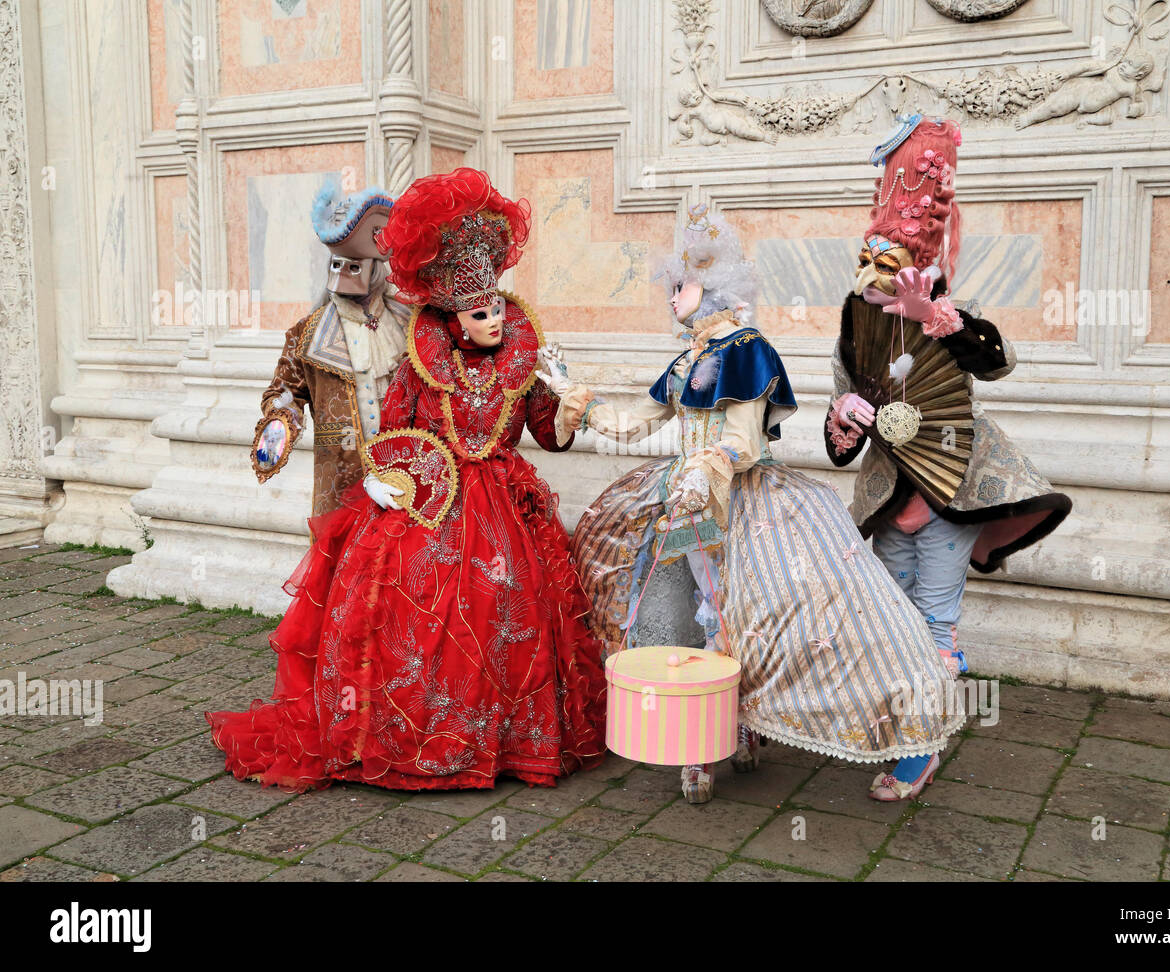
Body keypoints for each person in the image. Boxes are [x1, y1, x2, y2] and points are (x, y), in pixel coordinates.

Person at [538, 205, 962, 805]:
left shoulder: (745, 348)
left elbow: (743, 435)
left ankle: (911, 734)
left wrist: (710, 465)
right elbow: (639, 421)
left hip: (746, 501)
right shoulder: (688, 356)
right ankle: (718, 727)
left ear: (712, 289)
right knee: (704, 612)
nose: (671, 298)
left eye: (680, 286)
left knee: (804, 618)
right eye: (672, 285)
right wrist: (575, 396)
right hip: (687, 501)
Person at [209, 168, 606, 792]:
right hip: (428, 498)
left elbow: (548, 432)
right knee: (412, 615)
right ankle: (417, 733)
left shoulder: (515, 355)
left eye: (498, 306)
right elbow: (385, 427)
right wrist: (371, 470)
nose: (495, 319)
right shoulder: (401, 353)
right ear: (454, 315)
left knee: (510, 608)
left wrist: (571, 408)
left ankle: (505, 738)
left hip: (504, 503)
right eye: (481, 312)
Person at [826, 115, 1071, 799]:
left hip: (950, 497)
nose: (874, 274)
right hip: (887, 500)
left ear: (920, 267)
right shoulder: (852, 330)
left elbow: (998, 363)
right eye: (867, 259)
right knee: (888, 624)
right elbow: (838, 420)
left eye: (890, 262)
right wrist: (844, 417)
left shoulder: (951, 314)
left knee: (934, 626)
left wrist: (941, 318)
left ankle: (920, 750)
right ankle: (903, 725)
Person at [252, 179, 409, 515]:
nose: (343, 274)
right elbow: (282, 392)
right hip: (342, 477)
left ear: (376, 270)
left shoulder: (408, 323)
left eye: (354, 266)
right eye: (336, 265)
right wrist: (283, 415)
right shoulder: (307, 332)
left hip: (405, 469)